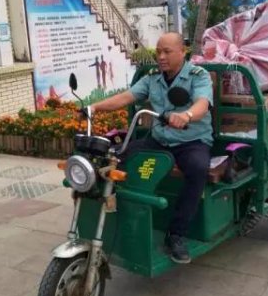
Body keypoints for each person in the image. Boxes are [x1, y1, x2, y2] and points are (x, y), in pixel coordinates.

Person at [91, 32, 213, 264]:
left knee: (198, 169)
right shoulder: (152, 78)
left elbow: (202, 104)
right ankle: (118, 218)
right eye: (158, 52)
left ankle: (176, 234)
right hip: (159, 139)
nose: (161, 57)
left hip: (191, 141)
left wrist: (186, 115)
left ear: (182, 52)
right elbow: (126, 97)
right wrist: (94, 107)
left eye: (167, 52)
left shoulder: (198, 76)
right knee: (115, 158)